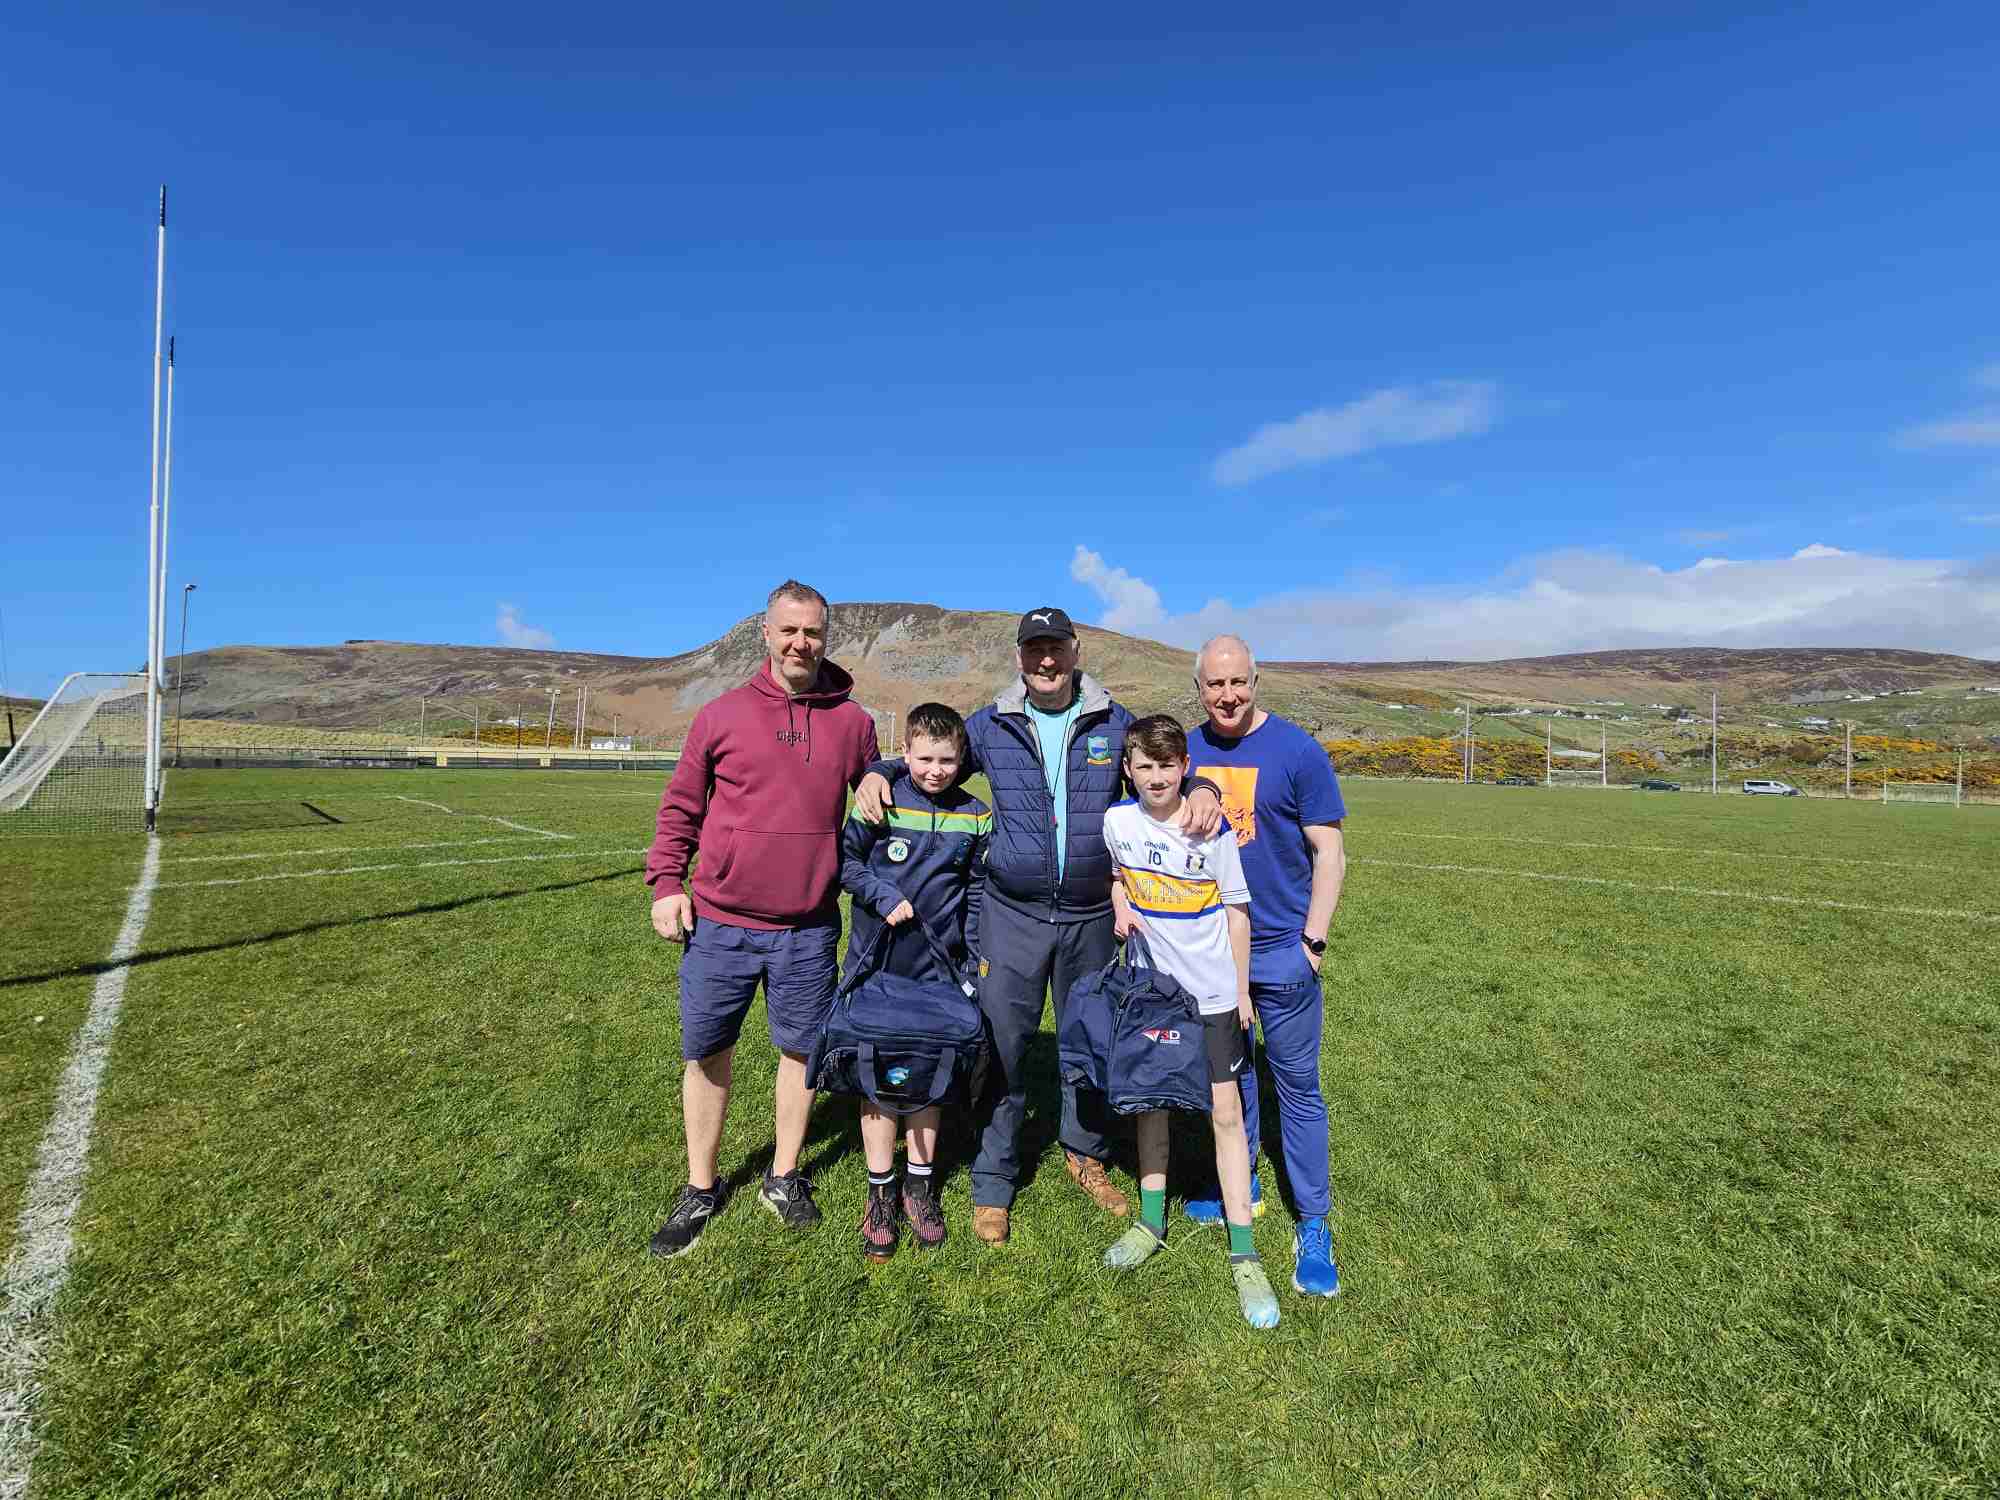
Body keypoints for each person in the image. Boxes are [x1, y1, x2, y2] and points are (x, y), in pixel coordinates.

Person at [852, 607, 1223, 1245]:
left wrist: (1207, 786)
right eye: (1034, 650)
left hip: (1091, 916)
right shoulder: (992, 724)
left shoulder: (1113, 720)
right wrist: (878, 772)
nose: (1045, 660)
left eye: (1055, 648)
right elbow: (932, 755)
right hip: (1011, 915)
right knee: (1004, 1045)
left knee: (1088, 1041)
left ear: (1075, 651)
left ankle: (1086, 1154)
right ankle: (994, 1177)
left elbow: (1163, 764)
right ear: (1019, 657)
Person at [643, 580, 880, 1258]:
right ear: (766, 635)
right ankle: (699, 1187)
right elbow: (679, 809)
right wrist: (666, 884)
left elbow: (877, 781)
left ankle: (783, 1175)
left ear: (825, 639)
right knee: (707, 1051)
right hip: (719, 922)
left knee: (801, 1053)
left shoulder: (853, 722)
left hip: (807, 926)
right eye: (790, 630)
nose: (802, 643)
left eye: (814, 633)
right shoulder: (721, 715)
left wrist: (874, 777)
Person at [1172, 634, 1347, 1298]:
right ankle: (1238, 1188)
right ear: (1198, 688)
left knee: (1297, 1089)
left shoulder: (1297, 751)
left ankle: (1315, 1221)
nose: (1227, 695)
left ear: (1256, 679)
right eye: (1214, 685)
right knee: (1231, 1080)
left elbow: (1328, 851)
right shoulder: (1183, 751)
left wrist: (1314, 942)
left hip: (1283, 952)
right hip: (1214, 953)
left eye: (1237, 682)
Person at [1101, 716, 1279, 1328]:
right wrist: (1122, 902)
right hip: (1154, 997)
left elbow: (1236, 913)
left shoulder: (1212, 829)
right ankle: (1151, 1220)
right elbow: (1117, 872)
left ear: (1184, 768)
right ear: (1129, 771)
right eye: (1144, 767)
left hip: (1210, 999)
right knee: (1153, 1105)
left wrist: (1238, 992)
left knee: (1225, 1113)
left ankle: (1245, 1252)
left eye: (1167, 766)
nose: (1156, 777)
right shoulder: (1117, 822)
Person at [838, 701, 991, 1261]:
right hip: (878, 964)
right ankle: (880, 1189)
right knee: (879, 1077)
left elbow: (975, 892)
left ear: (961, 759)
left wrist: (972, 956)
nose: (934, 770)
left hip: (938, 972)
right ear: (904, 754)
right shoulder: (878, 800)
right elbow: (845, 864)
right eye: (924, 758)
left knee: (927, 1074)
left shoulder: (976, 814)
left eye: (947, 760)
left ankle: (920, 1186)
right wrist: (883, 895)